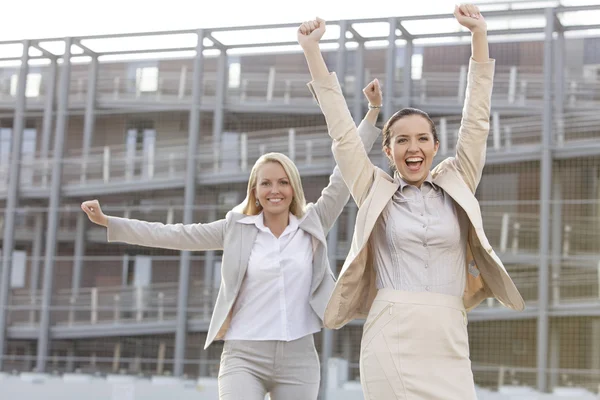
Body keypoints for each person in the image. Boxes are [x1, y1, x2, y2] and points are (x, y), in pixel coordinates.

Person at [80, 85, 384, 400]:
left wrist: (373, 111)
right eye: (265, 183)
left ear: (293, 188)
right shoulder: (236, 229)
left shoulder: (313, 223)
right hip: (244, 355)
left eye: (282, 182)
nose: (274, 190)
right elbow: (174, 234)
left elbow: (344, 174)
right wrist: (110, 222)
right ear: (254, 191)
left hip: (299, 357)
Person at [297, 4, 525, 399]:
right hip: (391, 333)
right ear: (388, 151)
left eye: (422, 138)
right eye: (401, 139)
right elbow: (342, 134)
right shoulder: (373, 189)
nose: (413, 147)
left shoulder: (459, 181)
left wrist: (479, 36)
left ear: (436, 146)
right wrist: (311, 50)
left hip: (449, 335)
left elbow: (477, 121)